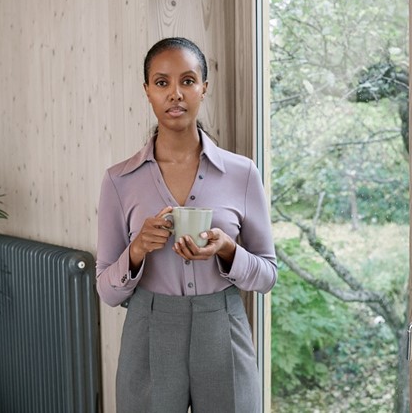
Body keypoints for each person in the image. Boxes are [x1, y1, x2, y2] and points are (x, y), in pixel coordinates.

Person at [96, 37, 277, 413]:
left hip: (223, 327)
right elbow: (107, 290)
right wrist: (137, 250)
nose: (175, 94)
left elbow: (267, 275)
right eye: (162, 82)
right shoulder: (119, 181)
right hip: (148, 330)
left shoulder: (243, 173)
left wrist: (227, 250)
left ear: (203, 89)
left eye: (188, 81)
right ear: (147, 91)